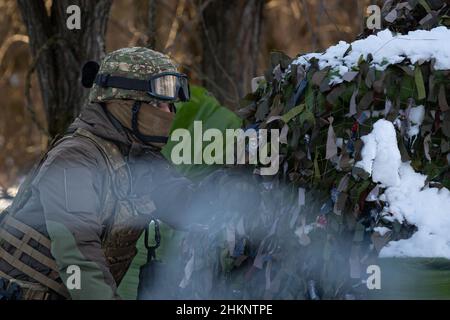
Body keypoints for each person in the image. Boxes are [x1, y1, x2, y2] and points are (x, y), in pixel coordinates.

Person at [0, 47, 195, 300]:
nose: (168, 114)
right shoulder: (75, 159)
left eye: (169, 105)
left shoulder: (138, 157)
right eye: (157, 104)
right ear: (123, 104)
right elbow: (78, 257)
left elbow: (189, 206)